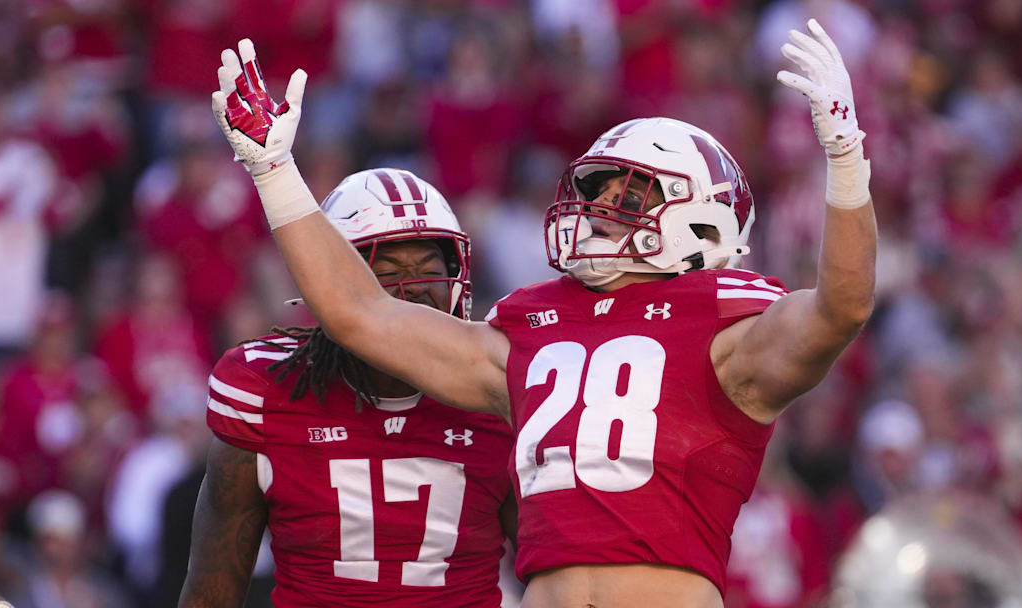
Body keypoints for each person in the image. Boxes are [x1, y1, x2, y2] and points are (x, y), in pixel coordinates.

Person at [210, 19, 875, 607]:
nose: (598, 208)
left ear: (702, 222)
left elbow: (841, 307)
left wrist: (845, 159)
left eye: (628, 193)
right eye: (597, 189)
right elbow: (360, 317)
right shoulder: (532, 325)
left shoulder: (728, 327)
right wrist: (275, 172)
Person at [177, 168, 517, 607]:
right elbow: (212, 589)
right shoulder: (266, 390)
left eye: (427, 269)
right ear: (331, 286)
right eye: (386, 272)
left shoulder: (501, 392)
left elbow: (552, 567)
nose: (411, 291)